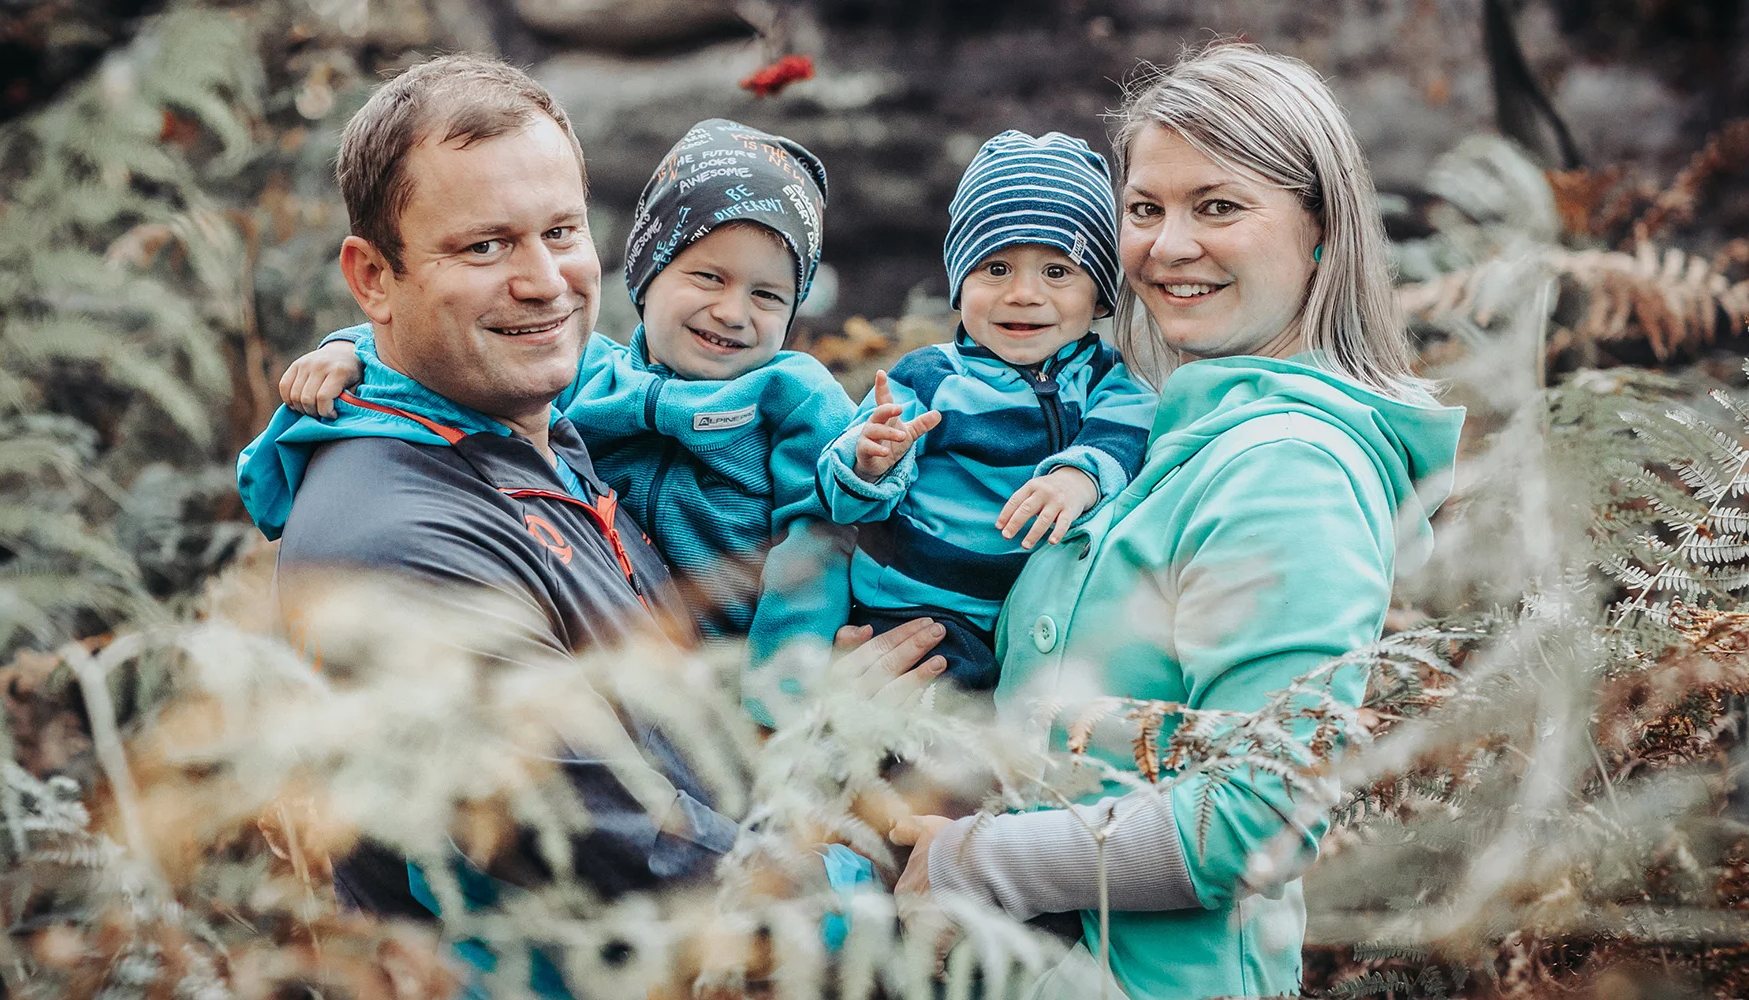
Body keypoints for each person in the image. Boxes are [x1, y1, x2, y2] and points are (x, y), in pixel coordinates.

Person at [232, 55, 941, 991]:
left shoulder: (536, 428)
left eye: (560, 231)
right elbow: (650, 879)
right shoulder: (402, 546)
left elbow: (654, 729)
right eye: (484, 246)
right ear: (374, 277)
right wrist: (869, 851)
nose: (544, 281)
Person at [886, 43, 1466, 999]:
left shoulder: (1291, 469)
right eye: (1145, 209)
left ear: (1322, 230)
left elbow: (1257, 817)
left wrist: (973, 862)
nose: (1167, 245)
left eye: (1219, 206)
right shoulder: (1164, 437)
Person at [272, 118, 855, 725]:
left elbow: (826, 536)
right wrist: (348, 351)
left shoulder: (791, 397)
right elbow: (417, 345)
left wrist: (785, 707)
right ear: (647, 273)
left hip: (768, 673)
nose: (733, 312)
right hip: (694, 715)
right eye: (485, 245)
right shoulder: (587, 373)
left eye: (768, 296)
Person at [818, 130, 1159, 691]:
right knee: (945, 709)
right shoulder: (930, 377)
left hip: (1037, 608)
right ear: (960, 282)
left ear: (1100, 296)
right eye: (996, 268)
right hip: (921, 603)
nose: (1023, 294)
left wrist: (1078, 475)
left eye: (1056, 271)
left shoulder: (1109, 378)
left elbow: (1126, 431)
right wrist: (871, 462)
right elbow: (840, 494)